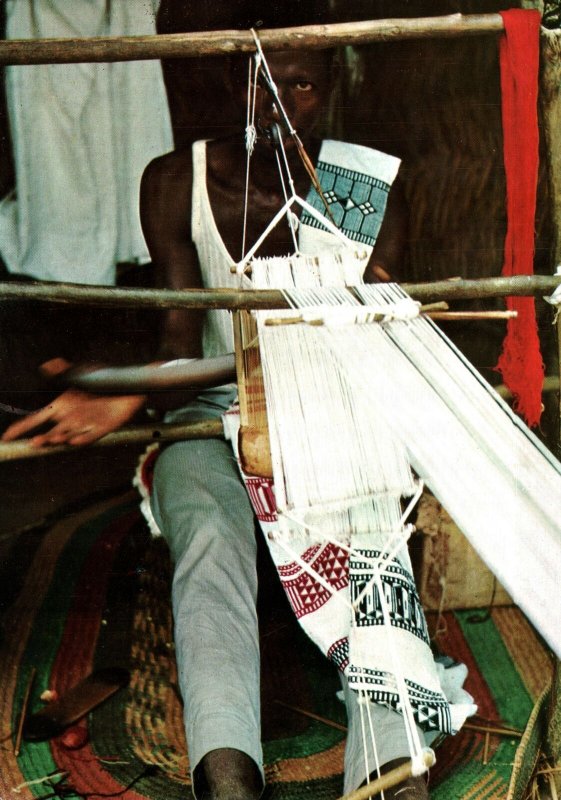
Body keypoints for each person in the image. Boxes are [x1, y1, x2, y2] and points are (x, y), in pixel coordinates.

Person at [2, 47, 429, 800]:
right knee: (205, 529)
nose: (277, 103)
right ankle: (226, 776)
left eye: (300, 84)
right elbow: (178, 345)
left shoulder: (365, 193)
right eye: (264, 82)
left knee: (369, 529)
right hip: (207, 416)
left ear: (328, 93)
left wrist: (123, 390)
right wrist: (126, 386)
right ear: (235, 81)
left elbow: (362, 346)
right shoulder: (176, 181)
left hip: (330, 409)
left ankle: (390, 770)